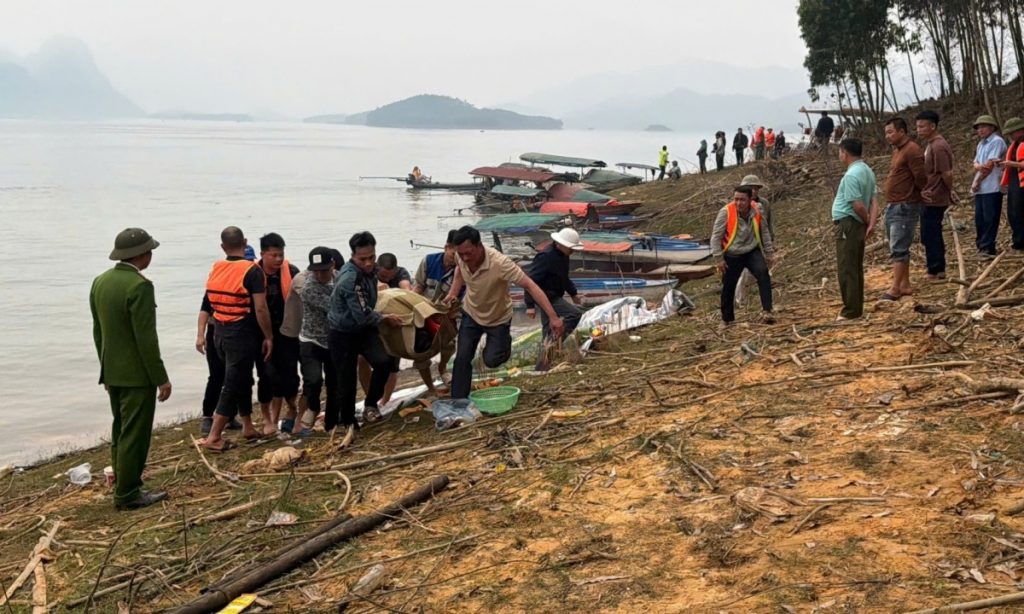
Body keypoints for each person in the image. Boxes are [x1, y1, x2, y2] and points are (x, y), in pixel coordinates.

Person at [90, 228, 171, 510]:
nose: (150, 256)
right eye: (149, 251)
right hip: (138, 375)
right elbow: (146, 340)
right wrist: (161, 378)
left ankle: (123, 484)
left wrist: (105, 370)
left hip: (112, 371)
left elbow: (98, 332)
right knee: (135, 435)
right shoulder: (140, 286)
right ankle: (128, 493)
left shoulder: (100, 282)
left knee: (121, 430)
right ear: (141, 255)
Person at [444, 226, 565, 399]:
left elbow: (530, 285)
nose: (465, 258)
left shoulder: (500, 263)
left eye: (468, 253)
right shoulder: (461, 256)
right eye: (461, 254)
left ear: (479, 246)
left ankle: (502, 346)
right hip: (471, 312)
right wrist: (453, 293)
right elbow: (459, 271)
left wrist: (553, 317)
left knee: (492, 360)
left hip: (498, 318)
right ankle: (458, 402)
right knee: (462, 357)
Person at [201, 227, 274, 453]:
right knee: (232, 382)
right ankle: (214, 436)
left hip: (218, 332)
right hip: (239, 331)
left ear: (223, 247)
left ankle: (248, 427)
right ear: (245, 242)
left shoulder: (217, 267)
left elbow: (208, 302)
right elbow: (260, 308)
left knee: (241, 380)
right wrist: (269, 336)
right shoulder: (252, 270)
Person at [328, 232, 404, 446]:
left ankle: (371, 404)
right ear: (353, 256)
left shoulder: (371, 270)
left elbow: (394, 274)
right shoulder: (351, 279)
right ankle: (348, 420)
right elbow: (362, 313)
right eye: (363, 259)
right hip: (342, 331)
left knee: (384, 361)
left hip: (364, 328)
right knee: (346, 378)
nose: (369, 263)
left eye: (372, 257)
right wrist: (385, 318)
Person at [255, 233, 301, 437]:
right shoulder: (252, 274)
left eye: (281, 254)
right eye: (273, 255)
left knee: (290, 377)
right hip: (261, 334)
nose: (278, 259)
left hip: (288, 333)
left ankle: (291, 408)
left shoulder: (291, 272)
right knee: (266, 376)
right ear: (262, 254)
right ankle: (268, 419)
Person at [710, 187, 774, 325]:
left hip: (752, 250)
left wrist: (769, 253)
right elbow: (715, 237)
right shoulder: (725, 212)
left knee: (763, 274)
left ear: (750, 199)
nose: (739, 203)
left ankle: (767, 311)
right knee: (728, 285)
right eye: (736, 199)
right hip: (733, 253)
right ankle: (727, 320)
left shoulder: (758, 209)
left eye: (742, 200)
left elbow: (765, 232)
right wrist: (718, 259)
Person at [832, 138, 879, 320]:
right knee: (855, 265)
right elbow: (874, 201)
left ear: (845, 152)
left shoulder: (851, 175)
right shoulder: (867, 170)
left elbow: (857, 205)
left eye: (840, 152)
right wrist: (871, 223)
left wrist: (868, 222)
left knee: (847, 266)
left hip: (848, 223)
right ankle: (856, 306)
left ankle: (851, 311)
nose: (839, 155)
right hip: (857, 223)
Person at [881, 117, 927, 301]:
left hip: (905, 204)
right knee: (896, 245)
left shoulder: (912, 150)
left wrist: (917, 195)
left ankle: (894, 289)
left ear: (902, 131)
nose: (888, 136)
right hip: (894, 204)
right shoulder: (898, 151)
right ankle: (905, 284)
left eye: (891, 132)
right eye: (886, 133)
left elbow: (921, 177)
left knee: (899, 247)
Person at [295, 246, 338, 436]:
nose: (320, 275)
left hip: (333, 340)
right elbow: (335, 308)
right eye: (316, 271)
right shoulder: (309, 288)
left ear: (333, 266)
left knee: (334, 383)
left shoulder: (341, 279)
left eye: (324, 270)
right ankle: (312, 406)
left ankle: (331, 423)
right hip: (311, 339)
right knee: (313, 380)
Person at [412, 230, 459, 389]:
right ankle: (430, 387)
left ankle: (443, 368)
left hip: (445, 315)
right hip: (424, 313)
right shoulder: (429, 261)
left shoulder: (461, 270)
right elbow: (418, 287)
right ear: (447, 247)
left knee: (450, 346)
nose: (458, 259)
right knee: (420, 351)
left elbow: (461, 298)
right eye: (455, 254)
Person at [526, 227, 585, 344]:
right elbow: (530, 281)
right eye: (571, 247)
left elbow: (564, 276)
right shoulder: (545, 257)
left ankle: (547, 353)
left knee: (548, 329)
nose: (573, 250)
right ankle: (554, 343)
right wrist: (530, 305)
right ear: (560, 244)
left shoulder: (564, 255)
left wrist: (573, 293)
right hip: (546, 296)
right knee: (574, 314)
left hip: (556, 294)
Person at [916, 110, 954, 280]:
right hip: (929, 196)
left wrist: (949, 191)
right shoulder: (931, 144)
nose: (919, 130)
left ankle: (937, 269)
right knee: (929, 232)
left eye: (922, 126)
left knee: (932, 232)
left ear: (933, 126)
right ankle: (935, 267)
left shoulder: (939, 146)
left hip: (935, 197)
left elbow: (946, 173)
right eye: (917, 126)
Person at [972, 115, 1008, 257]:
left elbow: (989, 166)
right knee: (979, 218)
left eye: (983, 127)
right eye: (978, 128)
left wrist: (977, 181)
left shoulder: (996, 141)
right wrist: (978, 168)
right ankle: (981, 245)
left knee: (990, 217)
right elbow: (975, 163)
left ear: (992, 127)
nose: (980, 130)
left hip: (992, 185)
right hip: (981, 188)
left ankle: (988, 247)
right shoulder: (981, 144)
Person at [998, 117, 1024, 250]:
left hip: (1022, 182)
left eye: (1011, 133)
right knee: (1013, 212)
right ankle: (1018, 240)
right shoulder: (1013, 146)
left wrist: (1012, 164)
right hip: (1015, 182)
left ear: (1019, 131)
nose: (1010, 136)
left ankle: (1020, 242)